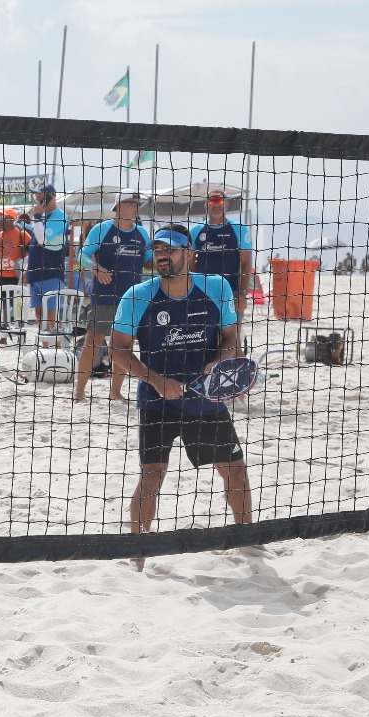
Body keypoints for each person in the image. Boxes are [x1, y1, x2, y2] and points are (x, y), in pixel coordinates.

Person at [109, 224, 251, 569]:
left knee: (234, 471)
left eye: (169, 249)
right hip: (158, 400)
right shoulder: (137, 295)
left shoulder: (217, 288)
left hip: (205, 400)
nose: (161, 255)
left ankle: (249, 540)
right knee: (152, 475)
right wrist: (156, 380)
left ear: (190, 254)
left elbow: (232, 338)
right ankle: (138, 551)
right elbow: (117, 350)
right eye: (157, 249)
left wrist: (220, 361)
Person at [73, 189, 152, 403]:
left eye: (138, 205)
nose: (136, 208)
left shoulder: (142, 234)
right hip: (106, 295)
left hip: (131, 297)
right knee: (93, 341)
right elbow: (82, 255)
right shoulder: (102, 229)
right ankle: (79, 392)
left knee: (123, 346)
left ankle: (115, 392)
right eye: (131, 204)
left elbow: (149, 262)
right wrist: (96, 268)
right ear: (118, 206)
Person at [191, 186, 253, 325]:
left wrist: (243, 293)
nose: (216, 205)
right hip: (203, 294)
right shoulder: (195, 230)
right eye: (212, 201)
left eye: (220, 201)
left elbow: (246, 263)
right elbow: (189, 265)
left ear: (226, 205)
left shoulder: (239, 229)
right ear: (206, 206)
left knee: (233, 338)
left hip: (231, 293)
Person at [20, 183, 70, 333]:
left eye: (40, 194)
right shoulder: (42, 218)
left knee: (50, 317)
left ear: (51, 196)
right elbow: (35, 245)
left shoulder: (60, 216)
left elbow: (43, 240)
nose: (37, 197)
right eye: (37, 194)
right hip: (35, 273)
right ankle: (45, 348)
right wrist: (28, 270)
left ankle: (54, 350)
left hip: (51, 274)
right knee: (39, 315)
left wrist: (36, 217)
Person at [0, 208, 31, 299]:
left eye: (3, 217)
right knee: (3, 308)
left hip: (15, 278)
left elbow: (33, 252)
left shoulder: (21, 234)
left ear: (11, 219)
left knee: (13, 309)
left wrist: (27, 270)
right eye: (0, 218)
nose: (1, 220)